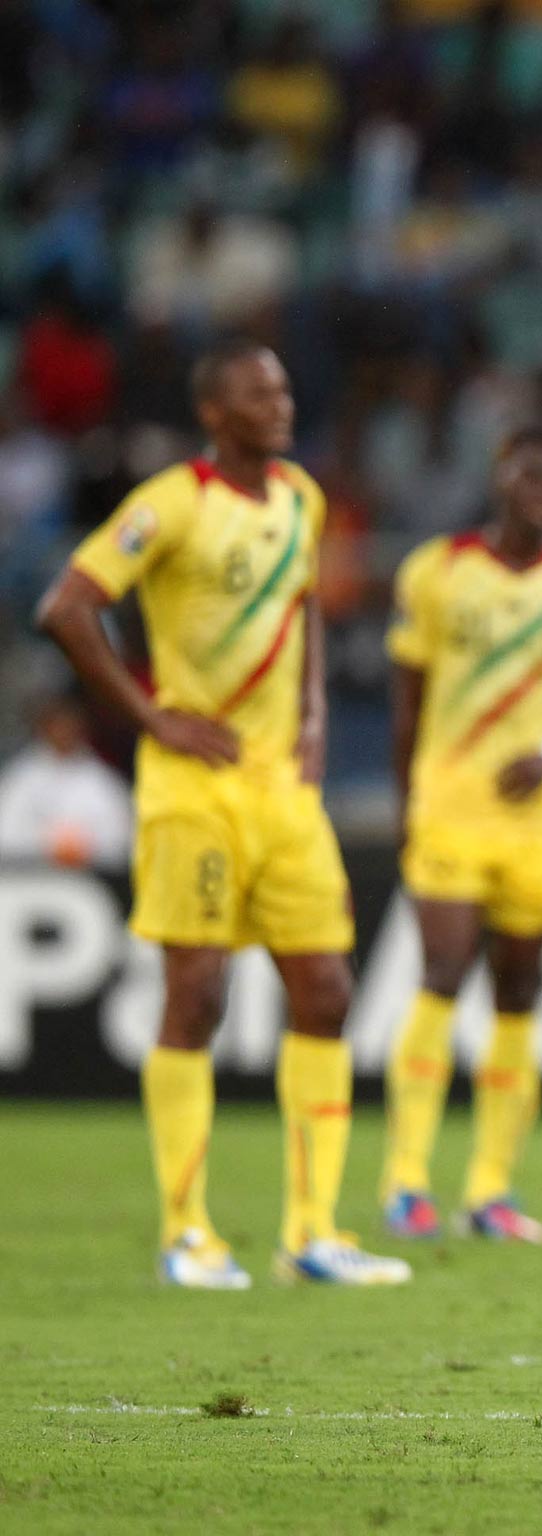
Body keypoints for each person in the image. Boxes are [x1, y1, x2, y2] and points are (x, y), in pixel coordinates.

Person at [35, 340, 409, 1289]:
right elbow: (69, 607)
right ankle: (185, 1231)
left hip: (283, 788)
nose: (280, 404)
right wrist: (151, 712)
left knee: (325, 990)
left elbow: (306, 611)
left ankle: (312, 1234)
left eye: (285, 388)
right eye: (258, 393)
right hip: (191, 791)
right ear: (215, 411)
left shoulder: (302, 499)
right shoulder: (171, 501)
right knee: (196, 997)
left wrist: (316, 717)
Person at [378, 426, 542, 1244]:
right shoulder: (436, 571)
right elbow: (406, 700)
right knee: (442, 970)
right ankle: (406, 1181)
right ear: (501, 476)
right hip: (449, 803)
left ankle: (489, 1189)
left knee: (518, 992)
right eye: (533, 475)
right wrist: (404, 797)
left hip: (539, 819)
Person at [0, 691, 134, 870]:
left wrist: (83, 845)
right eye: (57, 725)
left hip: (91, 880)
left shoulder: (103, 780)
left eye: (70, 725)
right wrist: (51, 844)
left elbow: (122, 841)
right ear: (43, 727)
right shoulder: (20, 779)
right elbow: (6, 835)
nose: (64, 732)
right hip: (29, 878)